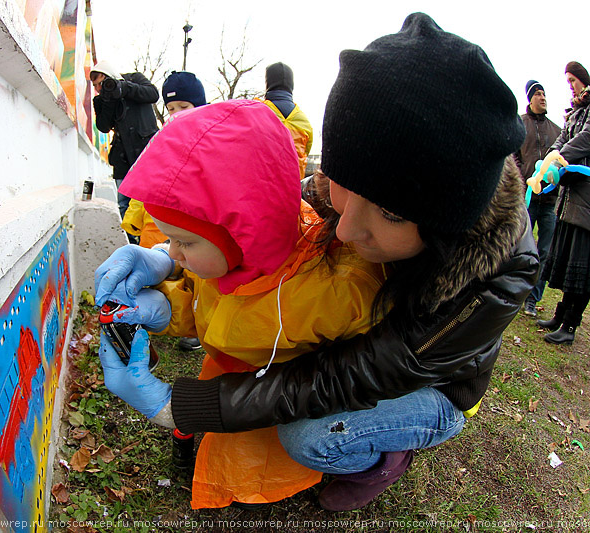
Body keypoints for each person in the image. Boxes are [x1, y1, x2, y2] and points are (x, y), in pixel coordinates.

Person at [95, 13, 537, 512]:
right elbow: (263, 218)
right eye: (345, 183)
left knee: (310, 436)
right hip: (363, 342)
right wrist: (166, 256)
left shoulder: (491, 281)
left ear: (444, 227)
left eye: (389, 212)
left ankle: (386, 458)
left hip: (432, 384)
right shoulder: (346, 191)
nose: (346, 230)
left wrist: (182, 406)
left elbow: (346, 376)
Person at [102, 98, 388, 508]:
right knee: (232, 453)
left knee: (279, 453)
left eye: (183, 242)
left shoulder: (334, 292)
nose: (173, 253)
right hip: (239, 384)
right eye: (169, 240)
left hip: (291, 396)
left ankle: (378, 455)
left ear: (242, 230)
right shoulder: (231, 260)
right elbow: (217, 312)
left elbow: (352, 378)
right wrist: (164, 307)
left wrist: (172, 406)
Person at [120, 71, 208, 352]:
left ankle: (195, 327)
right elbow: (143, 181)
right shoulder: (161, 141)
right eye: (171, 109)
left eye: (184, 107)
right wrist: (133, 217)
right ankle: (159, 320)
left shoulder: (212, 140)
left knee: (196, 276)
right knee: (159, 275)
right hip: (157, 223)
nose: (176, 114)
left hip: (195, 223)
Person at [536, 61, 590, 344]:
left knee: (583, 269)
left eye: (573, 80)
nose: (571, 86)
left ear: (583, 79)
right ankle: (560, 316)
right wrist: (551, 156)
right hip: (570, 199)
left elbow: (586, 138)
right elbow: (561, 140)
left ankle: (570, 326)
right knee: (568, 262)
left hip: (588, 202)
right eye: (568, 81)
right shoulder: (574, 112)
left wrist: (559, 157)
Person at [90, 61, 159, 222]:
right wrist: (109, 99)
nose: (100, 88)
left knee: (151, 200)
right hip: (122, 158)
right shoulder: (100, 100)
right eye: (96, 86)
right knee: (124, 204)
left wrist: (123, 88)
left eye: (103, 82)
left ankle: (150, 239)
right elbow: (103, 126)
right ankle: (132, 241)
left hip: (147, 153)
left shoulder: (134, 79)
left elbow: (153, 94)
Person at [514, 80, 562, 316]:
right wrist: (524, 179)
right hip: (527, 199)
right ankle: (511, 292)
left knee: (544, 251)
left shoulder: (557, 130)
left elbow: (562, 159)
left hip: (550, 202)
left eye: (545, 94)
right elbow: (512, 157)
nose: (543, 98)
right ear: (530, 98)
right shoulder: (519, 124)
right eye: (539, 94)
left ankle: (532, 300)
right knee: (519, 246)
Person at [260, 62, 314, 178]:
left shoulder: (255, 113)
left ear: (267, 83)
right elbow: (306, 152)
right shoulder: (305, 122)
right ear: (291, 85)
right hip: (293, 189)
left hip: (262, 188)